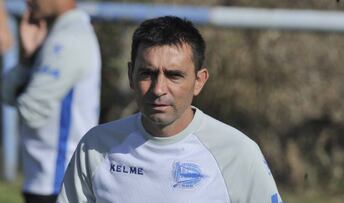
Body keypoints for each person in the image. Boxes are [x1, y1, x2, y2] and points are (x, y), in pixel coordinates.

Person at [57, 16, 282, 203]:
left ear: (199, 81)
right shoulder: (96, 146)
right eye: (147, 73)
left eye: (174, 75)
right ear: (130, 76)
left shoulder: (237, 152)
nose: (158, 89)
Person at [1, 0, 101, 202]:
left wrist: (23, 94)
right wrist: (28, 59)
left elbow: (31, 109)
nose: (27, 1)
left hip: (59, 183)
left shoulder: (69, 39)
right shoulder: (59, 34)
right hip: (46, 180)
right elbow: (10, 96)